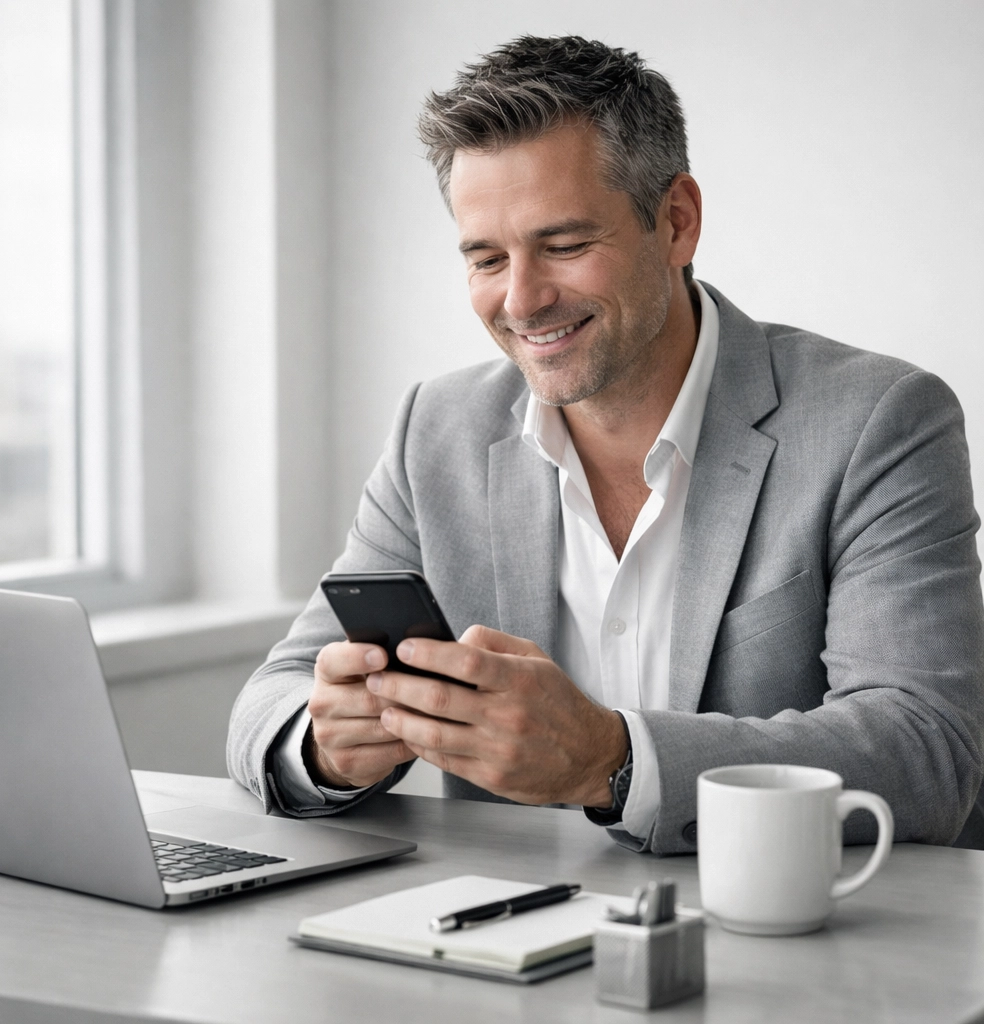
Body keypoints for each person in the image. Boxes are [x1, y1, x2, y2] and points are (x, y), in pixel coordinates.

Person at [227, 35, 984, 853]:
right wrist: (323, 743)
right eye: (486, 257)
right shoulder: (434, 431)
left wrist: (610, 761)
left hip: (793, 943)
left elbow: (926, 752)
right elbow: (273, 696)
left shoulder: (879, 420)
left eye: (564, 245)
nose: (522, 300)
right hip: (504, 943)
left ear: (677, 222)